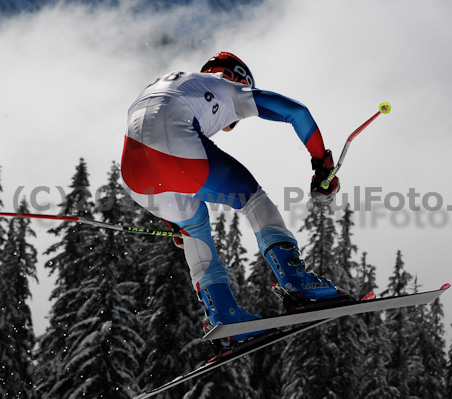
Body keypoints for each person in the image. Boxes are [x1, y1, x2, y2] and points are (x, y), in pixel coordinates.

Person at [121, 52, 341, 341]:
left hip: (133, 176)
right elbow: (296, 112)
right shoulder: (228, 87)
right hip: (176, 147)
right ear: (239, 77)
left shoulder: (177, 83)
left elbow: (149, 135)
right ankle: (297, 281)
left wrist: (171, 219)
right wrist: (321, 164)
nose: (231, 124)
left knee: (193, 226)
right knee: (252, 198)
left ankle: (223, 313)